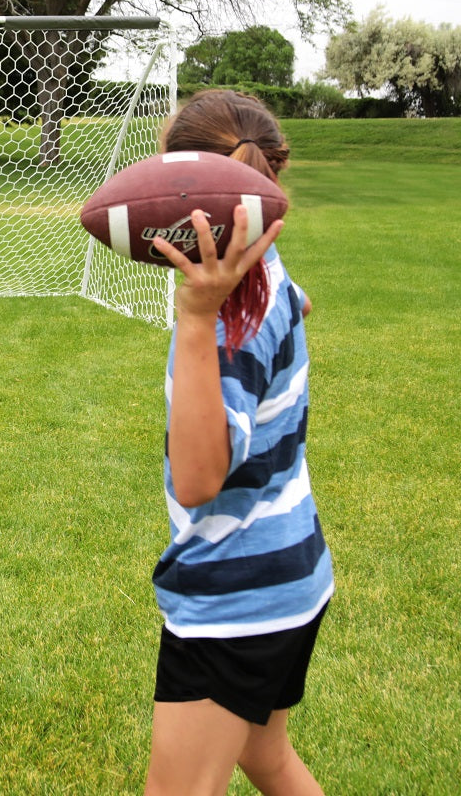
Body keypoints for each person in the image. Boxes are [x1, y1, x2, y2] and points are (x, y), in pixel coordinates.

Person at [143, 90, 334, 796]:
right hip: (293, 573)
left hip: (237, 597)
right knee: (270, 760)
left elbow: (197, 480)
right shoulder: (270, 276)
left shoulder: (225, 321)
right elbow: (299, 300)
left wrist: (196, 319)